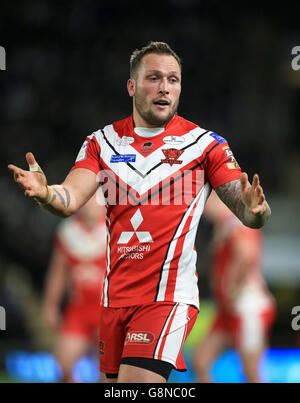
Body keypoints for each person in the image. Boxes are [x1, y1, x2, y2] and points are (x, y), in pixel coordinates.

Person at [8, 41, 271, 383]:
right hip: (114, 300)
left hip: (168, 297)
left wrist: (257, 211)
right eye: (154, 78)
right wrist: (45, 193)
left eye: (173, 79)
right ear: (132, 86)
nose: (165, 87)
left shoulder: (206, 145)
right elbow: (70, 198)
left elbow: (248, 213)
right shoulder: (100, 143)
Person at [193, 191, 276, 383]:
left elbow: (245, 254)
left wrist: (232, 286)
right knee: (201, 360)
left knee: (251, 371)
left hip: (248, 309)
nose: (204, 208)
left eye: (207, 200)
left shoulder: (233, 222)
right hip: (230, 310)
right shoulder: (225, 224)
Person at [43, 194, 107, 382]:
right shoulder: (68, 232)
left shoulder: (117, 228)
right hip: (79, 308)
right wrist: (50, 305)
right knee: (63, 363)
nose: (88, 205)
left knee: (107, 370)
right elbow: (58, 272)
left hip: (107, 308)